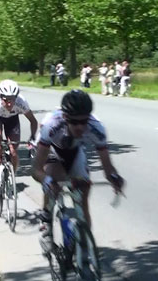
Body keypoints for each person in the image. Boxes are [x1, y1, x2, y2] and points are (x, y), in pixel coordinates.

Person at [32, 90, 125, 253]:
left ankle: (85, 247)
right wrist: (48, 181)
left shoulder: (97, 128)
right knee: (54, 180)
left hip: (75, 152)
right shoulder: (51, 125)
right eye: (75, 122)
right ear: (66, 118)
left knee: (83, 194)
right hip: (52, 150)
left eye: (84, 121)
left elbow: (107, 166)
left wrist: (114, 177)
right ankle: (46, 220)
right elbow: (36, 170)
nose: (80, 127)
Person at [0, 80, 38, 198]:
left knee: (14, 151)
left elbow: (33, 121)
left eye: (12, 99)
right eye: (6, 100)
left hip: (12, 120)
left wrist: (32, 137)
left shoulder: (21, 102)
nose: (10, 103)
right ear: (0, 97)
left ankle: (11, 178)